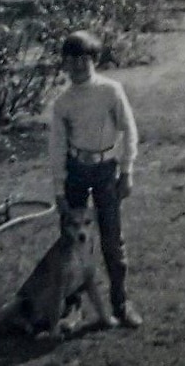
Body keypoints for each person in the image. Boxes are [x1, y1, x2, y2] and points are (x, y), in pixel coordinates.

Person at [48, 30, 143, 328]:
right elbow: (57, 148)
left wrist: (126, 172)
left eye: (83, 60)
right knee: (72, 242)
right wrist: (59, 188)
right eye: (70, 61)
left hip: (106, 172)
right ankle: (72, 307)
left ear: (95, 60)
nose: (77, 67)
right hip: (76, 171)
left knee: (112, 240)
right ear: (63, 64)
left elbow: (130, 131)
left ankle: (121, 303)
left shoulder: (110, 91)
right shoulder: (62, 102)